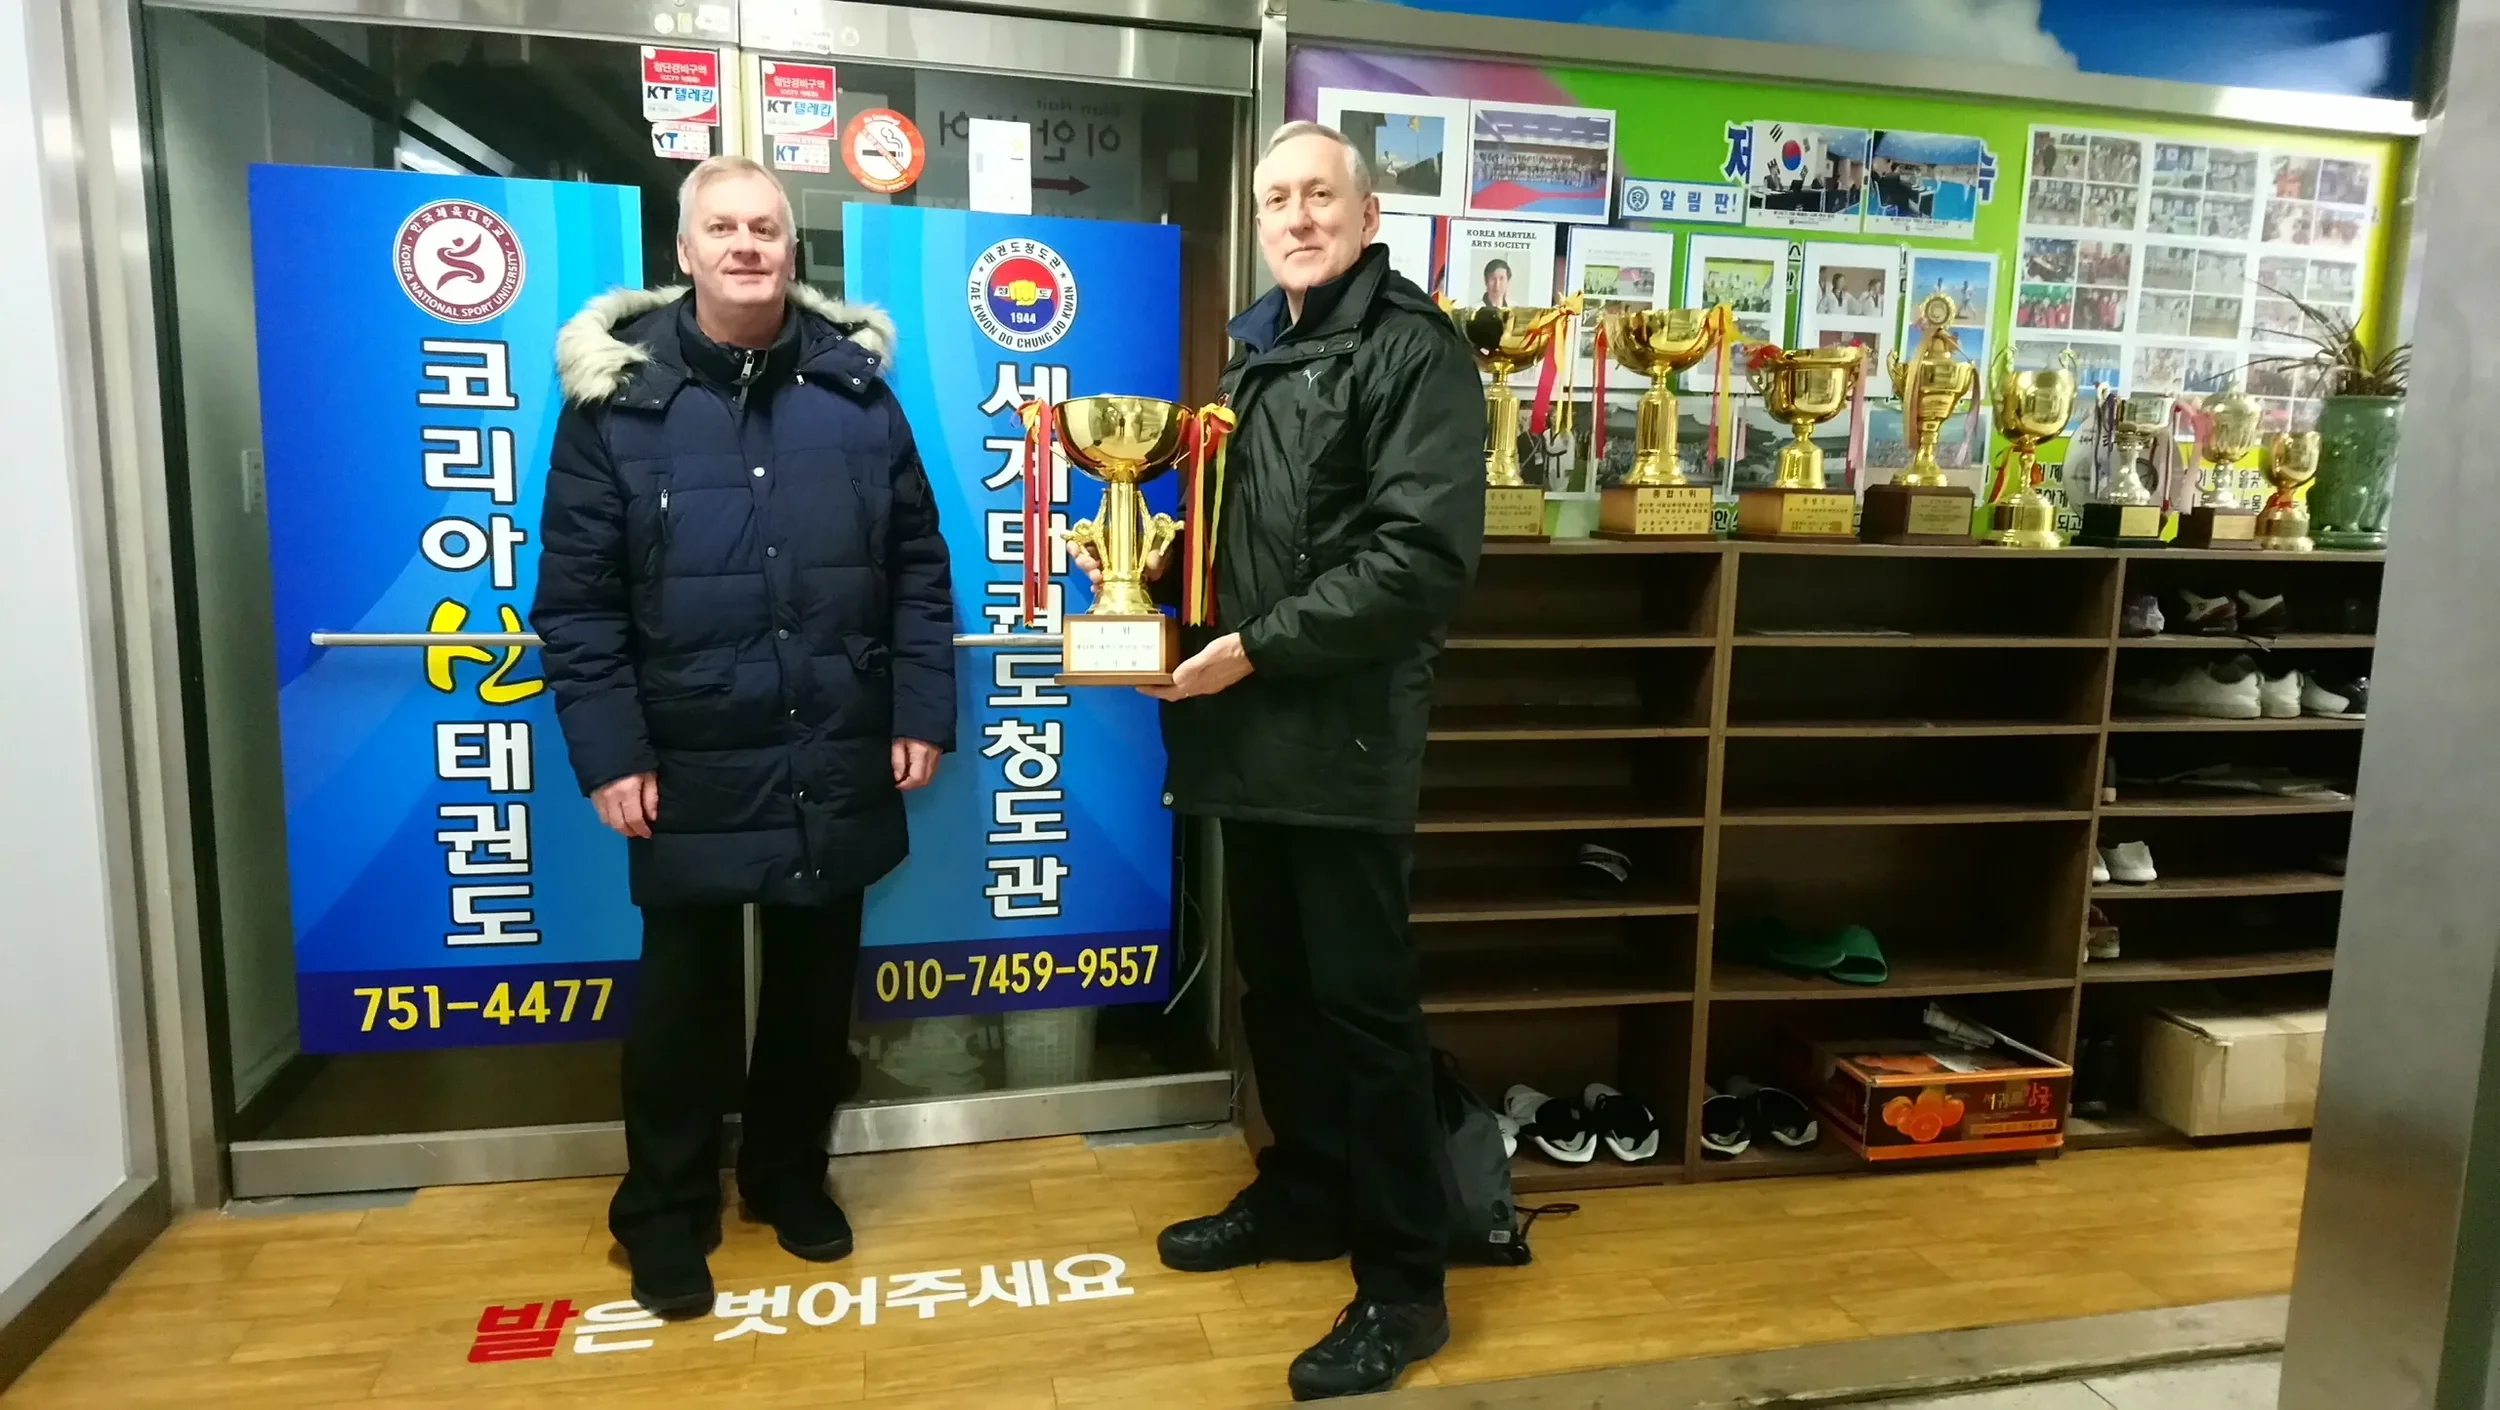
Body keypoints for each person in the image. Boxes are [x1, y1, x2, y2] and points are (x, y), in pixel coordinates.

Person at [1076, 119, 1486, 1401]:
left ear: (1368, 220)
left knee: (1365, 1016)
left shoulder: (1415, 354)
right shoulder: (1255, 357)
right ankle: (1305, 1194)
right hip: (1243, 730)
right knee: (1281, 999)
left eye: (1321, 197)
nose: (1297, 217)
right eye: (1277, 200)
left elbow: (1417, 562)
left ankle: (1408, 1283)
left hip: (1342, 739)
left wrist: (1252, 648)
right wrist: (1144, 622)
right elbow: (1224, 549)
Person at [532, 154, 954, 1320]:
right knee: (686, 1001)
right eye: (722, 227)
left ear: (789, 245)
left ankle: (786, 1178)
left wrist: (921, 708)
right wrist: (611, 750)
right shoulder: (614, 400)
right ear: (684, 250)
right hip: (686, 751)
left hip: (835, 732)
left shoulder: (857, 394)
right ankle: (663, 1213)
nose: (746, 245)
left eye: (765, 226)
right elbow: (574, 600)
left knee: (817, 987)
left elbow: (919, 567)